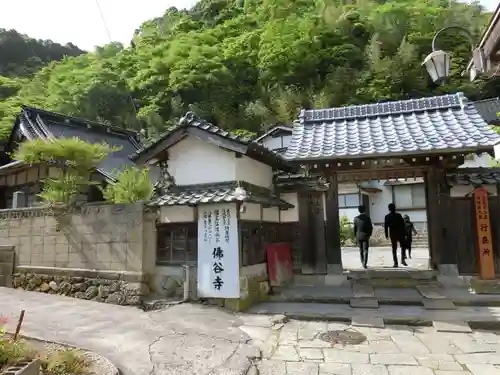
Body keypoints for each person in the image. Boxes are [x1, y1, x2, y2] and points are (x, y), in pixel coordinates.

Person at [384, 203, 407, 267]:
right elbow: (403, 225)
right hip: (400, 233)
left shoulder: (387, 217)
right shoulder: (399, 215)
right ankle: (402, 260)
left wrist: (386, 235)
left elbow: (386, 227)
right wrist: (405, 233)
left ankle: (395, 262)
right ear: (395, 208)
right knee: (403, 247)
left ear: (389, 209)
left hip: (393, 234)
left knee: (394, 248)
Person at [353, 205, 373, 269]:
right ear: (364, 210)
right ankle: (365, 263)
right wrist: (369, 234)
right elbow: (370, 227)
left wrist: (355, 235)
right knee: (365, 250)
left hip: (358, 235)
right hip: (365, 235)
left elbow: (355, 228)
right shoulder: (367, 218)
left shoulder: (356, 218)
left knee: (361, 250)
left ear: (359, 210)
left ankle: (362, 262)